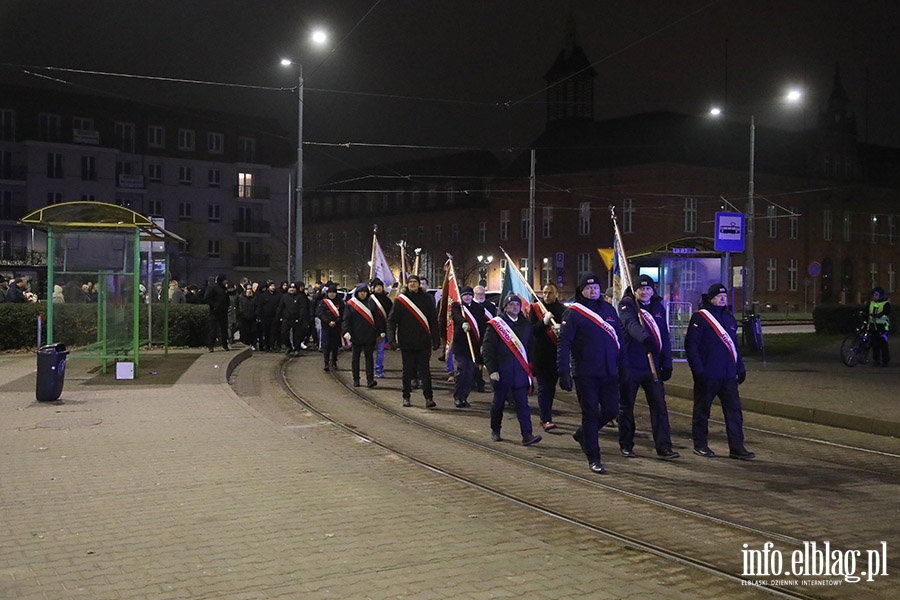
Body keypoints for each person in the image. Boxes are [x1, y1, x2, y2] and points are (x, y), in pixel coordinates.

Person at [557, 273, 622, 474]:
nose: (592, 291)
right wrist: (564, 371)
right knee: (591, 413)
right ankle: (594, 457)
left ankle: (583, 434)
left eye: (595, 288)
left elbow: (619, 339)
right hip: (585, 373)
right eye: (588, 288)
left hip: (609, 371)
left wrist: (623, 365)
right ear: (582, 290)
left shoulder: (609, 309)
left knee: (611, 410)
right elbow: (564, 344)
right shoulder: (573, 314)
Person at [685, 283, 755, 460]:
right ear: (711, 299)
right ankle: (700, 444)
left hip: (728, 376)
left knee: (734, 413)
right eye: (719, 296)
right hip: (707, 375)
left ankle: (737, 447)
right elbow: (691, 346)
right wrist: (698, 370)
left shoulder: (730, 319)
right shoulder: (700, 318)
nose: (723, 298)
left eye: (724, 295)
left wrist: (740, 368)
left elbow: (734, 347)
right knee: (702, 411)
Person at [616, 275, 679, 460]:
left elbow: (664, 336)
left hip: (653, 366)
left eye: (648, 289)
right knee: (626, 406)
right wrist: (645, 339)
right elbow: (630, 325)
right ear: (635, 291)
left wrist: (667, 362)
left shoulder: (658, 307)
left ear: (653, 290)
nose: (645, 292)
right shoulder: (627, 306)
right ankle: (626, 445)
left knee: (659, 406)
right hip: (630, 365)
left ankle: (664, 446)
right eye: (641, 289)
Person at [482, 293, 542, 446]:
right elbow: (488, 349)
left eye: (517, 304)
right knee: (498, 403)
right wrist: (492, 370)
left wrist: (532, 367)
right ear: (505, 307)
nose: (514, 307)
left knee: (523, 405)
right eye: (511, 305)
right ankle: (495, 430)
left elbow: (532, 348)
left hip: (520, 372)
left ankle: (527, 434)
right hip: (502, 372)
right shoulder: (496, 325)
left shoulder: (526, 324)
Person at [386, 274, 440, 408]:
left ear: (419, 284)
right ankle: (406, 396)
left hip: (423, 341)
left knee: (425, 371)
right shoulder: (400, 301)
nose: (412, 284)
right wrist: (391, 339)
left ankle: (429, 398)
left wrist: (436, 339)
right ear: (407, 284)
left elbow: (433, 320)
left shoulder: (427, 299)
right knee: (407, 371)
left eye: (415, 282)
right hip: (407, 342)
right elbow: (392, 321)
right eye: (410, 282)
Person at [529, 283, 566, 431]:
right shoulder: (535, 309)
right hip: (540, 355)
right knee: (544, 388)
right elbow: (531, 331)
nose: (546, 296)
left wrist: (561, 330)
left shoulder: (563, 310)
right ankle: (545, 419)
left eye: (550, 293)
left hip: (556, 355)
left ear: (556, 294)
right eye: (544, 293)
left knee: (551, 389)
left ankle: (547, 414)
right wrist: (543, 323)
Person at [450, 285, 488, 408]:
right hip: (461, 344)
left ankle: (464, 397)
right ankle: (458, 396)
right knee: (461, 371)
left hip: (474, 345)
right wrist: (463, 322)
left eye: (470, 295)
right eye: (465, 295)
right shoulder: (458, 306)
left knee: (470, 373)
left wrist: (482, 343)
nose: (467, 297)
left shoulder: (479, 308)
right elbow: (455, 315)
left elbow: (482, 326)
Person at [343, 283, 383, 387]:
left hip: (369, 334)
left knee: (369, 358)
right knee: (355, 358)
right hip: (356, 334)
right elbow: (346, 319)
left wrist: (381, 330)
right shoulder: (350, 304)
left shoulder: (371, 303)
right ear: (357, 293)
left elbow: (377, 318)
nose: (362, 294)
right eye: (360, 292)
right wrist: (346, 331)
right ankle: (356, 379)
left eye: (364, 292)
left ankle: (370, 380)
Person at [277, 282, 311, 356]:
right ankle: (288, 346)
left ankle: (297, 349)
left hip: (297, 319)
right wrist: (279, 316)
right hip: (287, 318)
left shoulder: (300, 297)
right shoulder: (284, 297)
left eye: (293, 288)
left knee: (297, 335)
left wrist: (300, 318)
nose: (292, 289)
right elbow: (280, 307)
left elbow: (302, 308)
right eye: (290, 288)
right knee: (284, 333)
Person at [316, 284, 344, 371]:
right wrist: (328, 322)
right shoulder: (323, 302)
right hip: (326, 326)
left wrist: (336, 322)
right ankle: (326, 362)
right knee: (326, 345)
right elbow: (320, 313)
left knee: (335, 346)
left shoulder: (340, 302)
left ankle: (334, 361)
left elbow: (343, 314)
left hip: (336, 326)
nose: (332, 294)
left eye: (333, 292)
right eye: (330, 292)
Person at [370, 278, 393, 378]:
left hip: (382, 330)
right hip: (371, 329)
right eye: (377, 286)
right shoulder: (369, 300)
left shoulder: (387, 300)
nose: (379, 288)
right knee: (370, 351)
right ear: (373, 288)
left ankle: (378, 369)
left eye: (380, 286)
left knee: (380, 351)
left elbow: (391, 315)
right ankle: (370, 369)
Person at [204, 274, 230, 352]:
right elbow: (207, 298)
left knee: (224, 330)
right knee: (213, 329)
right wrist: (214, 306)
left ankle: (224, 345)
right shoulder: (213, 287)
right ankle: (211, 346)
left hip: (223, 312)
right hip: (215, 312)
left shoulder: (223, 288)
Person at [868, 286, 891, 367]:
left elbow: (886, 312)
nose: (874, 296)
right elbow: (867, 311)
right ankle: (876, 360)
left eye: (876, 295)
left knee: (883, 344)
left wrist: (878, 315)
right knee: (875, 344)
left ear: (881, 295)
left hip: (883, 327)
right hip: (873, 326)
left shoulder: (886, 303)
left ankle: (885, 361)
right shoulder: (871, 303)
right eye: (874, 294)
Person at [255, 281, 280, 352]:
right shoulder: (263, 296)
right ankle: (267, 346)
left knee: (273, 332)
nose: (273, 287)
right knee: (266, 332)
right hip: (265, 317)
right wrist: (259, 317)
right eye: (271, 286)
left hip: (274, 316)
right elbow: (260, 307)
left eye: (274, 286)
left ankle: (272, 346)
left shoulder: (277, 296)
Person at [237, 284, 257, 349]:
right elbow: (240, 307)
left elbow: (257, 306)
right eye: (248, 289)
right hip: (244, 318)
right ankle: (246, 343)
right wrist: (242, 314)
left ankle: (253, 344)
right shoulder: (241, 297)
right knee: (245, 332)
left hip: (253, 317)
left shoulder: (255, 297)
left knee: (253, 332)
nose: (249, 291)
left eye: (250, 289)